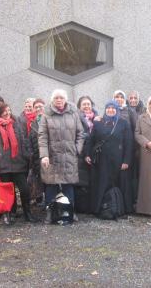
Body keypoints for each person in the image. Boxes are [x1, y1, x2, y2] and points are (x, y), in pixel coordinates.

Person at [38, 89, 85, 225]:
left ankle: (70, 211)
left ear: (65, 100)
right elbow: (42, 137)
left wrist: (77, 149)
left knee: (68, 185)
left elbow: (81, 133)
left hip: (69, 155)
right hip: (52, 156)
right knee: (51, 185)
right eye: (56, 98)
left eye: (61, 98)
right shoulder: (46, 115)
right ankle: (50, 212)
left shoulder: (73, 113)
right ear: (52, 100)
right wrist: (44, 155)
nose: (59, 100)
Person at [0, 102, 36, 225]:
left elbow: (25, 142)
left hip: (19, 163)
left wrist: (28, 156)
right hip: (3, 165)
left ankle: (27, 212)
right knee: (8, 192)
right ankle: (9, 213)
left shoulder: (17, 124)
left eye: (9, 110)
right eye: (4, 111)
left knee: (25, 190)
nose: (7, 113)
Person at [86, 100, 133, 215]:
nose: (111, 110)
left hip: (118, 160)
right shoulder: (98, 122)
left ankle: (118, 209)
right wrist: (87, 154)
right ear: (105, 109)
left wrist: (126, 160)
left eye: (113, 108)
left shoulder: (123, 123)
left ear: (117, 110)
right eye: (108, 108)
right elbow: (91, 140)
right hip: (101, 160)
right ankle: (100, 209)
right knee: (101, 183)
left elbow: (129, 143)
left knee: (118, 183)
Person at [28, 98, 46, 205]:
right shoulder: (32, 123)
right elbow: (30, 140)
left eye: (40, 106)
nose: (38, 109)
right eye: (36, 107)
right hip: (36, 155)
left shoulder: (50, 119)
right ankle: (41, 199)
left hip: (48, 155)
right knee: (39, 178)